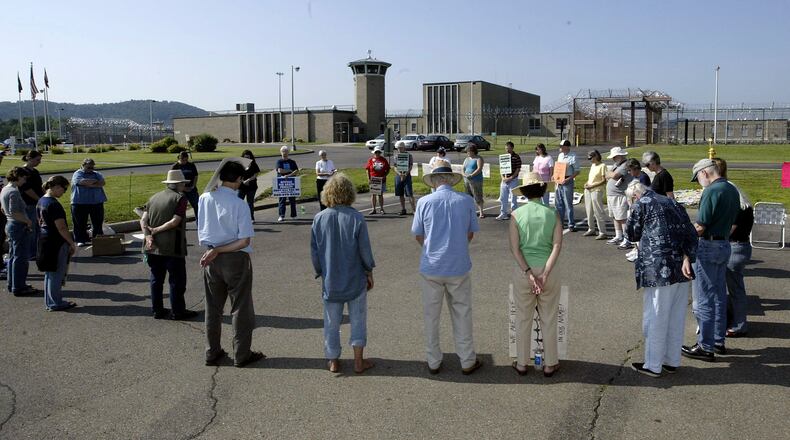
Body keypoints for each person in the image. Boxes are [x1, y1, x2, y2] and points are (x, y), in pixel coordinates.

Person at [411, 162, 482, 375]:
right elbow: (470, 233)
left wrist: (431, 247)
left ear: (434, 181)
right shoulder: (466, 201)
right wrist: (457, 247)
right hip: (458, 264)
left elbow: (418, 234)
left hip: (431, 265)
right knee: (462, 312)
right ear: (451, 179)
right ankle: (467, 360)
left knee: (431, 315)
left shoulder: (424, 202)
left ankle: (433, 361)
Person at [624, 181, 698, 377]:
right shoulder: (672, 202)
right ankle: (671, 361)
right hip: (681, 268)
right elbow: (691, 233)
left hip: (657, 268)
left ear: (634, 197)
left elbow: (631, 233)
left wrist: (632, 212)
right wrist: (688, 257)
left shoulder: (642, 204)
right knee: (675, 316)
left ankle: (653, 364)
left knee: (655, 316)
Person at [198, 161, 262, 368]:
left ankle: (212, 351)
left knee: (213, 308)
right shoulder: (239, 204)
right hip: (233, 256)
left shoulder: (204, 198)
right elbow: (244, 240)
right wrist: (220, 250)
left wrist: (214, 250)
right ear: (238, 179)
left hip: (210, 255)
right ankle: (242, 354)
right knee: (240, 307)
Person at [311, 173, 376, 374]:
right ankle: (358, 361)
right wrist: (369, 270)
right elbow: (364, 249)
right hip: (355, 277)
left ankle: (333, 360)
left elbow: (315, 252)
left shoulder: (319, 218)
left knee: (331, 321)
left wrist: (320, 272)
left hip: (331, 278)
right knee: (358, 319)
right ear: (350, 193)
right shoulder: (356, 217)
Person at [681, 158, 740, 362]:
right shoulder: (731, 189)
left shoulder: (712, 191)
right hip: (724, 244)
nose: (698, 182)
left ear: (705, 173)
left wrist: (684, 243)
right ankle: (717, 340)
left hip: (708, 245)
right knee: (718, 296)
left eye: (697, 178)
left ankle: (705, 346)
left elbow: (700, 226)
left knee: (703, 299)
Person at [508, 172, 563, 377]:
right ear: (542, 190)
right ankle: (550, 363)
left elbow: (515, 249)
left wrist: (529, 273)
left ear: (523, 192)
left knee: (523, 318)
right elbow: (557, 245)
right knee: (549, 318)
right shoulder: (553, 213)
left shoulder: (516, 215)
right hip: (549, 269)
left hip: (524, 270)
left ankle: (522, 363)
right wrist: (545, 273)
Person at [140, 170, 199, 321]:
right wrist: (157, 230)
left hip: (152, 246)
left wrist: (148, 236)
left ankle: (157, 310)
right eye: (183, 183)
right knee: (177, 281)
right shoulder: (180, 198)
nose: (184, 186)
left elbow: (143, 220)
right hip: (172, 246)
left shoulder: (154, 197)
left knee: (156, 279)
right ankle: (178, 311)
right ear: (178, 184)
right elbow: (175, 221)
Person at [36, 176, 78, 311]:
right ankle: (56, 302)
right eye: (64, 189)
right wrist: (71, 243)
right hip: (56, 241)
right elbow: (61, 227)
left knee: (50, 273)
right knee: (57, 273)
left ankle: (50, 301)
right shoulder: (53, 204)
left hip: (44, 238)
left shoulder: (41, 201)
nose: (64, 192)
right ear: (56, 187)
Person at [2, 167, 39, 296]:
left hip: (10, 224)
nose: (24, 180)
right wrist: (28, 221)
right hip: (18, 225)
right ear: (17, 176)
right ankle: (19, 286)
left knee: (13, 256)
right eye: (23, 177)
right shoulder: (13, 192)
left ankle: (13, 283)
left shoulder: (5, 189)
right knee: (21, 257)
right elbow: (14, 211)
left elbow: (4, 209)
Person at [725, 181, 753, 338]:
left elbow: (729, 231)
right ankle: (736, 321)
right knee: (736, 288)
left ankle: (739, 325)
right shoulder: (747, 208)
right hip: (743, 247)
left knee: (735, 289)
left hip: (734, 248)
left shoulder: (737, 209)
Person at [70, 158, 107, 246]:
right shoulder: (77, 173)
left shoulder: (96, 174)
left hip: (96, 202)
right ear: (83, 166)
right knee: (80, 223)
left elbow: (102, 183)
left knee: (97, 222)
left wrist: (89, 184)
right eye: (88, 167)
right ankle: (80, 239)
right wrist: (94, 183)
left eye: (92, 167)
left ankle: (97, 239)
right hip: (80, 202)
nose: (91, 169)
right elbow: (81, 182)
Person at [605, 147, 632, 249]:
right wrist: (610, 174)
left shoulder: (625, 165)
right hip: (612, 195)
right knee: (615, 217)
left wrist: (610, 174)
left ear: (620, 156)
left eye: (615, 156)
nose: (613, 158)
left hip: (620, 195)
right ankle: (618, 236)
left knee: (622, 218)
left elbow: (615, 175)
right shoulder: (616, 164)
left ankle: (627, 239)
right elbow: (607, 175)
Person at [20, 150, 44, 258]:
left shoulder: (35, 171)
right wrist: (38, 199)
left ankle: (37, 250)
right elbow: (27, 189)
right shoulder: (22, 171)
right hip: (29, 203)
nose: (39, 162)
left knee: (38, 227)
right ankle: (31, 252)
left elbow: (39, 187)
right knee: (31, 228)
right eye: (37, 160)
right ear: (29, 158)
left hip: (37, 203)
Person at [554, 139, 579, 231]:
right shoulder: (560, 155)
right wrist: (554, 175)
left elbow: (577, 171)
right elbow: (558, 168)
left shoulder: (573, 156)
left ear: (567, 147)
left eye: (562, 146)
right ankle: (560, 222)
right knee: (559, 203)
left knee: (568, 203)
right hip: (559, 180)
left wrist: (568, 179)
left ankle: (571, 223)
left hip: (567, 180)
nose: (560, 148)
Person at [583, 149, 608, 239]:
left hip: (596, 190)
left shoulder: (603, 166)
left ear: (596, 156)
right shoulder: (593, 165)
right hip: (588, 189)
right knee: (589, 210)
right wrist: (586, 183)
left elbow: (603, 180)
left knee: (598, 211)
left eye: (591, 158)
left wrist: (592, 186)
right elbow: (591, 178)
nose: (590, 160)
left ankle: (602, 231)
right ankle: (591, 229)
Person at [496, 141, 522, 221]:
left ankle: (514, 214)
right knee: (503, 198)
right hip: (504, 180)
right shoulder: (504, 157)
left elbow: (518, 169)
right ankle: (503, 213)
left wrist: (511, 178)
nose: (507, 150)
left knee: (513, 198)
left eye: (509, 148)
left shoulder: (516, 157)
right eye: (506, 148)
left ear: (512, 148)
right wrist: (503, 178)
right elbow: (501, 169)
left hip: (513, 180)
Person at [171, 151, 200, 217]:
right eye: (183, 160)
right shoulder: (175, 166)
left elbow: (195, 176)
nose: (184, 162)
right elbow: (172, 180)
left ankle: (199, 224)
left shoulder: (191, 165)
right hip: (180, 191)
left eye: (186, 160)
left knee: (197, 206)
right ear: (179, 158)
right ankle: (181, 225)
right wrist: (183, 188)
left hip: (191, 189)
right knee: (181, 209)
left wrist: (193, 186)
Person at [276, 145, 299, 222]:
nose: (284, 153)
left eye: (286, 151)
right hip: (282, 183)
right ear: (281, 152)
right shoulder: (279, 161)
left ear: (288, 152)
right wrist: (289, 170)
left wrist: (288, 175)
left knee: (292, 200)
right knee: (282, 200)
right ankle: (281, 215)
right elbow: (280, 171)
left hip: (291, 182)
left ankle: (293, 215)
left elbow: (296, 171)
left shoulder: (292, 162)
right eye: (283, 151)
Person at [364, 146, 390, 214]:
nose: (377, 153)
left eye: (378, 152)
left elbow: (387, 169)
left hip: (381, 179)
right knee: (373, 194)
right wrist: (368, 179)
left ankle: (381, 209)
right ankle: (373, 209)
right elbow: (367, 170)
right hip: (373, 179)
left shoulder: (383, 160)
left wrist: (385, 176)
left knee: (380, 194)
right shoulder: (371, 160)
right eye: (376, 152)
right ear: (374, 153)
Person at [392, 141, 416, 216]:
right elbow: (395, 167)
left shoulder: (409, 155)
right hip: (398, 176)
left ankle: (414, 210)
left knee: (409, 193)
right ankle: (403, 209)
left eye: (400, 148)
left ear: (403, 147)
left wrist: (405, 174)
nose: (399, 149)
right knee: (400, 194)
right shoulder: (396, 156)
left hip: (407, 175)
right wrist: (400, 174)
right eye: (398, 148)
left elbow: (411, 166)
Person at [462, 144, 485, 218]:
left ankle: (481, 212)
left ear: (473, 151)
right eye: (467, 151)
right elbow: (463, 168)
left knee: (477, 195)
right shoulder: (466, 159)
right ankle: (470, 211)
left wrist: (472, 175)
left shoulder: (478, 158)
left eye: (468, 151)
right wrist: (464, 174)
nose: (467, 153)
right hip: (466, 180)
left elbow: (479, 169)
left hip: (476, 180)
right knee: (468, 196)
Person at [238, 150, 260, 220]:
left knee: (250, 203)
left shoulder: (254, 164)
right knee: (238, 202)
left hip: (252, 187)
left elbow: (256, 174)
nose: (247, 159)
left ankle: (251, 218)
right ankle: (239, 218)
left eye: (248, 157)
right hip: (241, 187)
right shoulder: (240, 165)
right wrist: (243, 181)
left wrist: (248, 180)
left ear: (251, 157)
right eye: (245, 157)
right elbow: (237, 175)